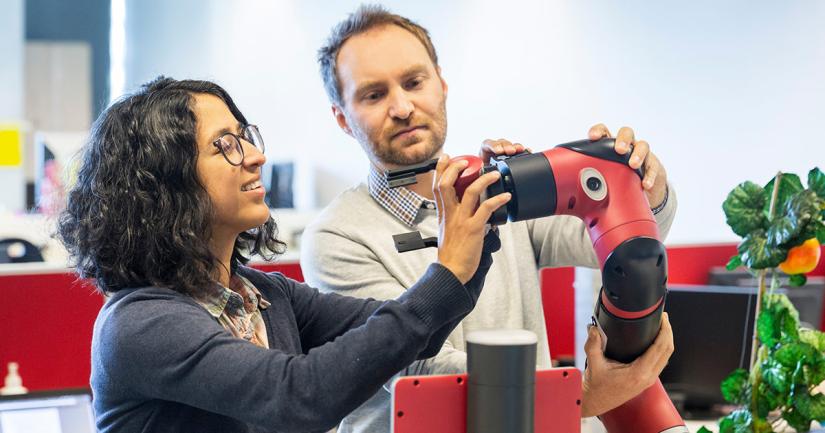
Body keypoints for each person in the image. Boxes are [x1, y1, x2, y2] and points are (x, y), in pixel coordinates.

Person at [56, 77, 511, 433]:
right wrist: (447, 269)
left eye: (245, 137)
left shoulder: (265, 295)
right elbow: (300, 396)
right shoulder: (141, 324)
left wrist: (479, 230)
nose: (255, 156)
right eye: (225, 145)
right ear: (164, 182)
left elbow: (415, 331)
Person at [301, 5, 677, 432]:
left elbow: (614, 245)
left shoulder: (501, 194)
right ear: (342, 118)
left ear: (440, 84)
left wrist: (639, 188)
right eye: (374, 94)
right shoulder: (336, 238)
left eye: (413, 82)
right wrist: (584, 396)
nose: (402, 106)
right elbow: (416, 365)